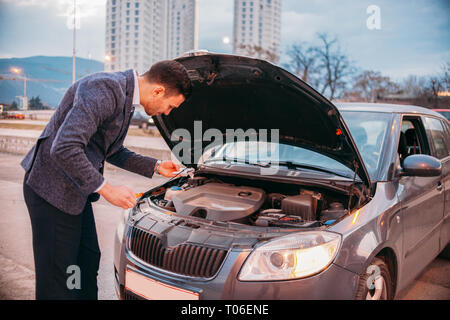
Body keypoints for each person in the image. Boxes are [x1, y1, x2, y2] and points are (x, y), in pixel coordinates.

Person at [21, 60, 192, 300]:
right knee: (59, 278)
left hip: (75, 192)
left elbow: (112, 150)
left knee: (86, 262)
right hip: (51, 190)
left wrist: (156, 166)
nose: (167, 113)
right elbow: (64, 147)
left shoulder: (126, 98)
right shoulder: (104, 88)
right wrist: (107, 189)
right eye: (171, 106)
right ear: (158, 90)